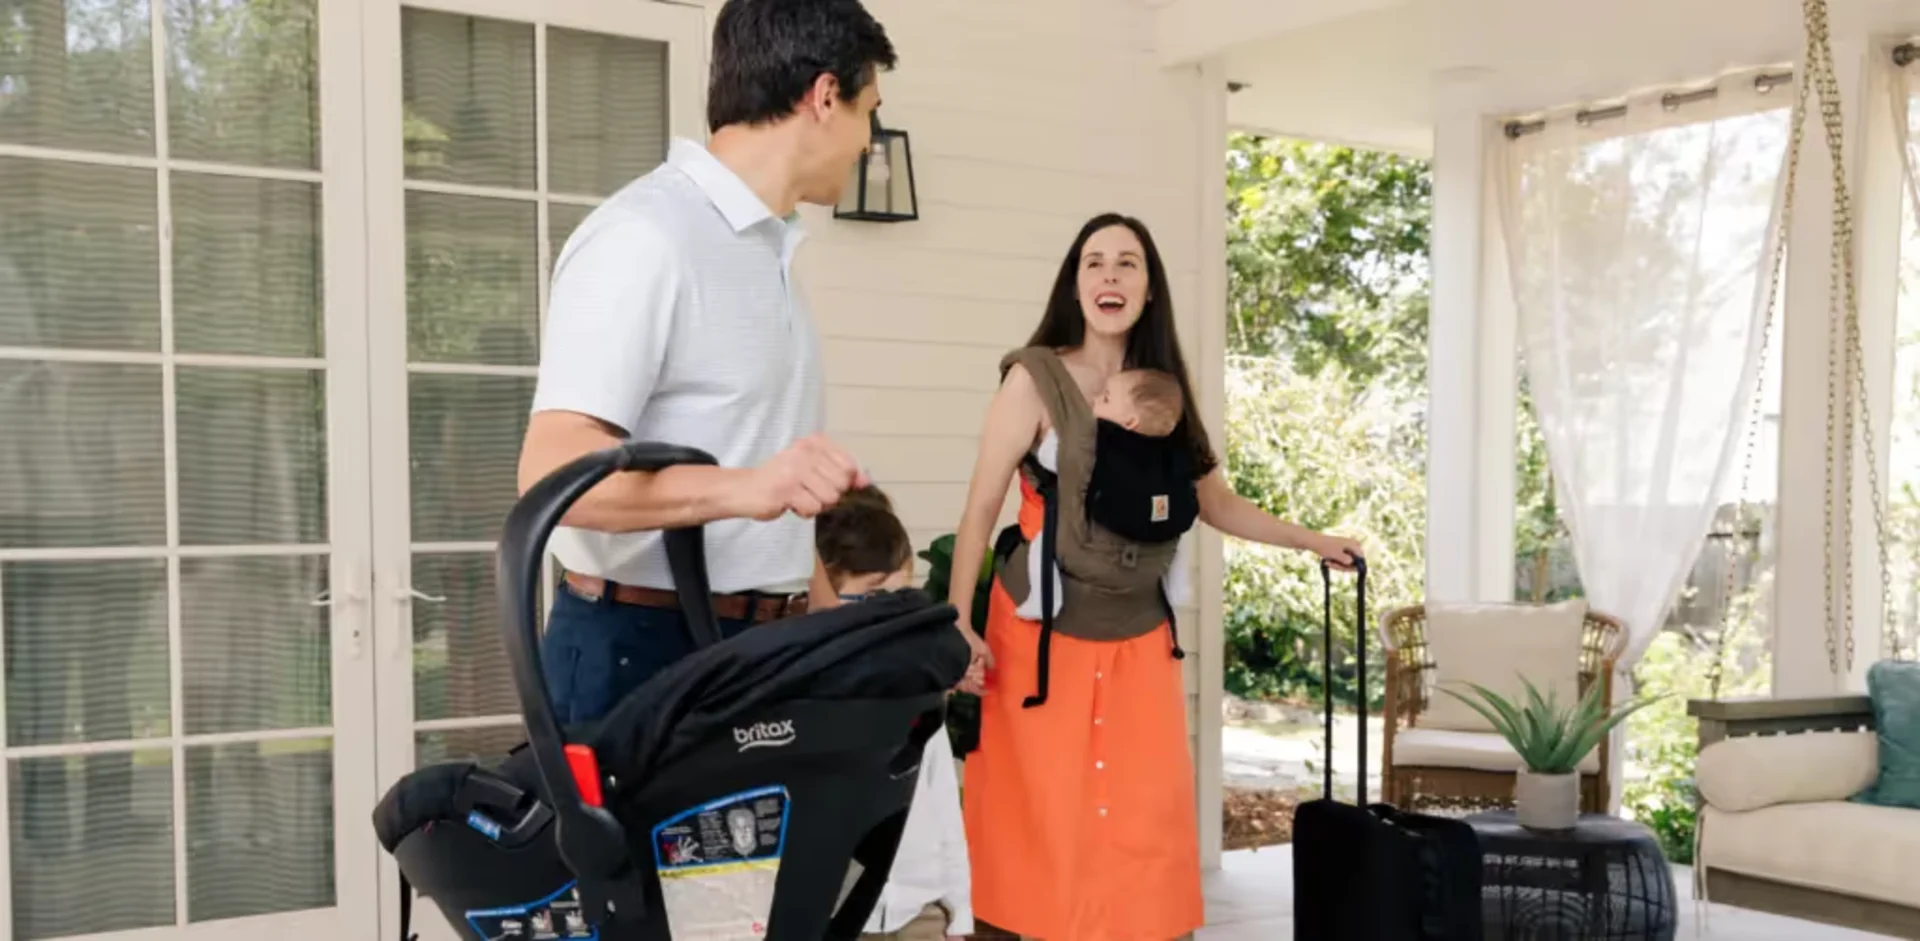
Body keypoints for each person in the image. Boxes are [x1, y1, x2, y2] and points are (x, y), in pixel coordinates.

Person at [949, 213, 1364, 941]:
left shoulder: (1160, 392)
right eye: (1095, 263)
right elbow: (981, 506)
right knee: (1040, 816)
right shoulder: (1034, 378)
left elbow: (1212, 500)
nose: (1110, 276)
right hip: (1039, 640)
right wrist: (956, 620)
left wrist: (1311, 541)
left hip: (1138, 639)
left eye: (1127, 264)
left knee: (1141, 817)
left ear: (1148, 288)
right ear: (1075, 284)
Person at [518, 0, 901, 725]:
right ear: (824, 97)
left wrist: (833, 638)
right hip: (639, 652)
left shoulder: (769, 251)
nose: (866, 142)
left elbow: (766, 499)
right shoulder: (646, 237)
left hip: (756, 649)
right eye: (868, 111)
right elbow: (551, 475)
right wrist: (748, 485)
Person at [813, 489, 973, 941]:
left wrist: (959, 910)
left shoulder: (918, 689)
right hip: (840, 911)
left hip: (920, 906)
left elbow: (942, 799)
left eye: (902, 597)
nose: (890, 615)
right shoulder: (802, 697)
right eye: (871, 595)